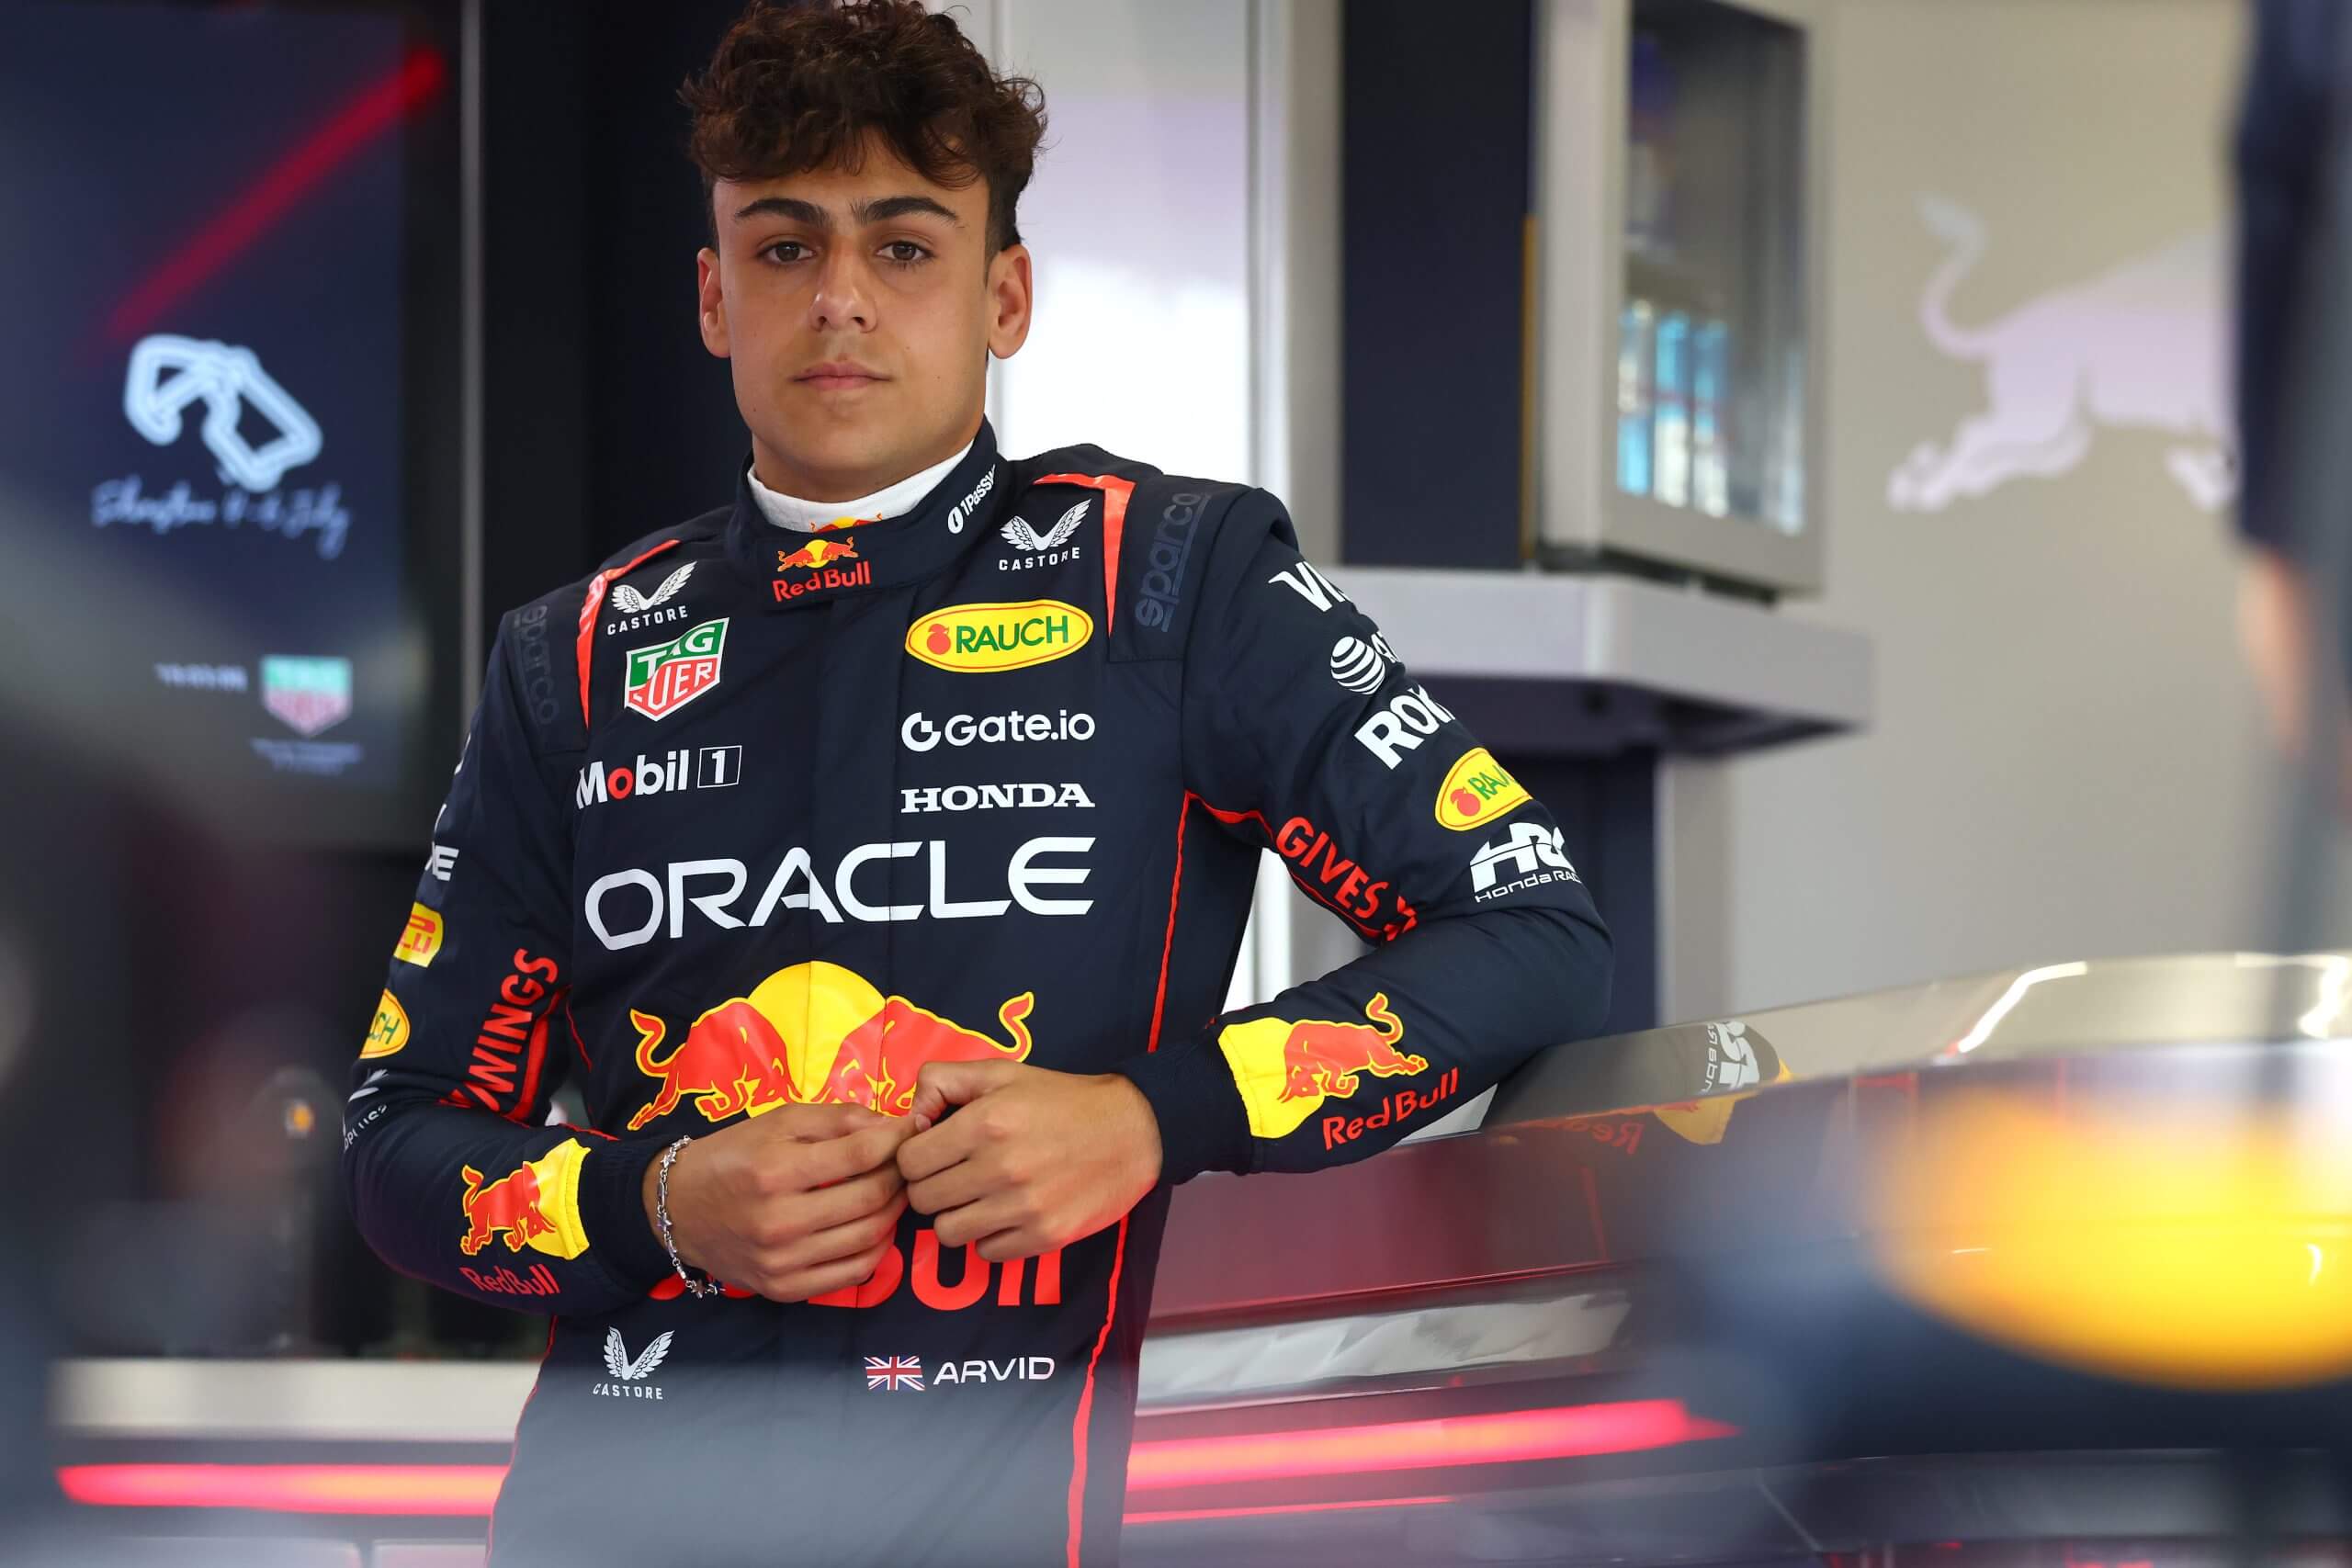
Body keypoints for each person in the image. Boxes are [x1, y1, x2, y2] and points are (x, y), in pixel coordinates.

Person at [342, 3, 1612, 1562]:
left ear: (1004, 295)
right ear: (714, 297)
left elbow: (1532, 928)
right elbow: (397, 1148)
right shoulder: (578, 656)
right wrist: (655, 1204)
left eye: (904, 246)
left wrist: (1153, 1115)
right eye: (785, 248)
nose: (841, 300)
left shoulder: (1173, 579)